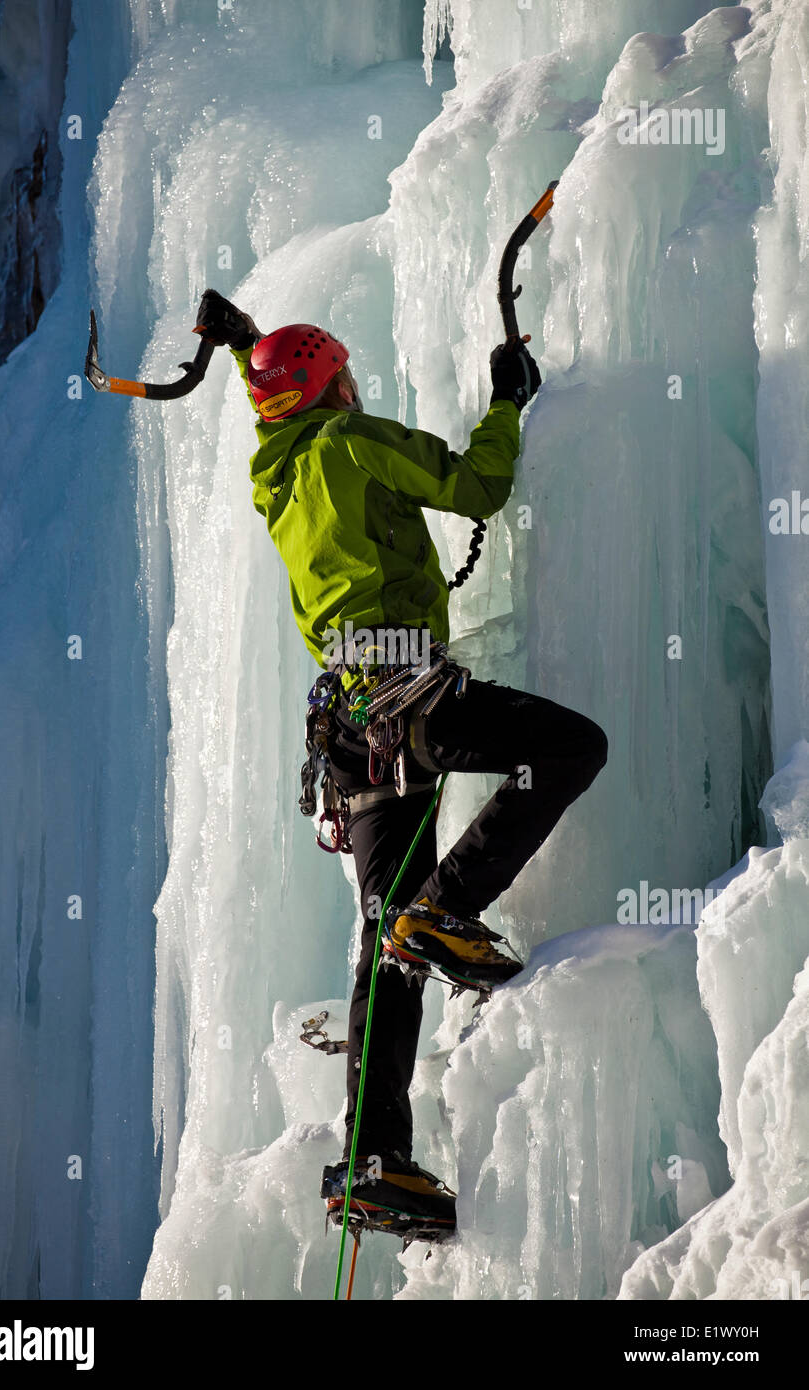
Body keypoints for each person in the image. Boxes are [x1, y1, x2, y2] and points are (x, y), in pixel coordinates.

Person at [195, 290, 608, 1240]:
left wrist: (241, 348)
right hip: (409, 702)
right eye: (343, 377)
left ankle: (375, 1162)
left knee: (387, 944)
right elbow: (473, 489)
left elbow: (273, 399)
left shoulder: (278, 475)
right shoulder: (346, 441)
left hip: (347, 731)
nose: (354, 386)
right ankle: (451, 905)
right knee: (568, 747)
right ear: (328, 389)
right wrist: (507, 403)